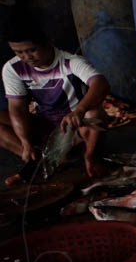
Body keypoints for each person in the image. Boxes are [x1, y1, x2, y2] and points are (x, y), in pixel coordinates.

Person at [1, 14, 109, 177]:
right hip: (44, 127)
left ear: (45, 41)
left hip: (74, 128)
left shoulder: (70, 61)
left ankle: (90, 156)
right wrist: (25, 141)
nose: (27, 57)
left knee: (95, 114)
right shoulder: (12, 68)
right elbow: (17, 108)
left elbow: (100, 83)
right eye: (19, 52)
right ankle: (39, 159)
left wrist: (79, 111)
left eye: (31, 50)